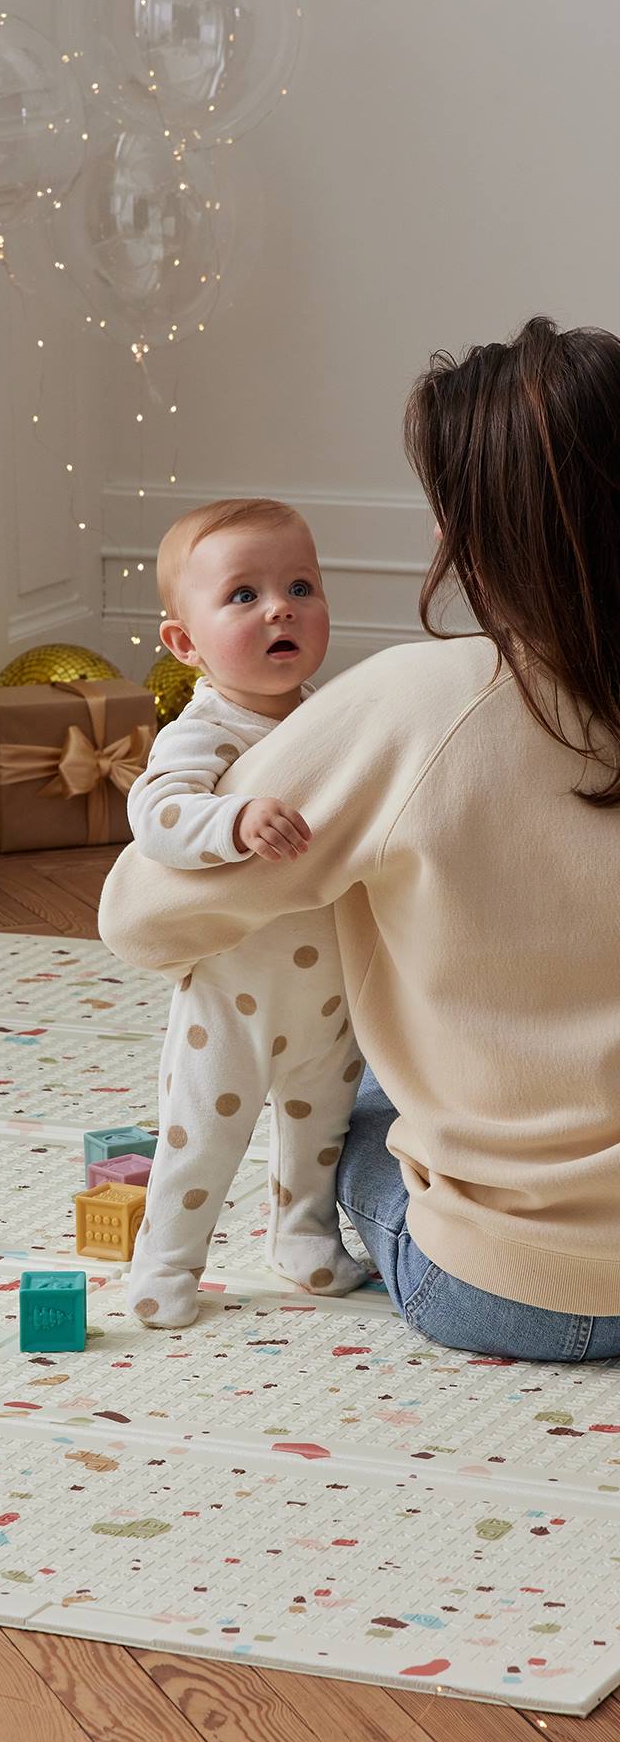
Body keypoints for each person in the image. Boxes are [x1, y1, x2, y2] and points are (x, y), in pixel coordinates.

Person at [97, 316, 620, 1361]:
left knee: (351, 1095)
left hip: (511, 1285)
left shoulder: (417, 705)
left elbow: (141, 919)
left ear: (468, 530)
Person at [123, 496, 368, 1329]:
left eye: (302, 585)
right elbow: (155, 816)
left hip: (329, 988)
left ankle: (302, 1238)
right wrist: (233, 820)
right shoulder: (207, 728)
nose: (280, 608)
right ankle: (166, 1262)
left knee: (320, 1130)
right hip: (233, 992)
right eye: (244, 595)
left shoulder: (327, 716)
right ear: (185, 644)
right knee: (201, 1139)